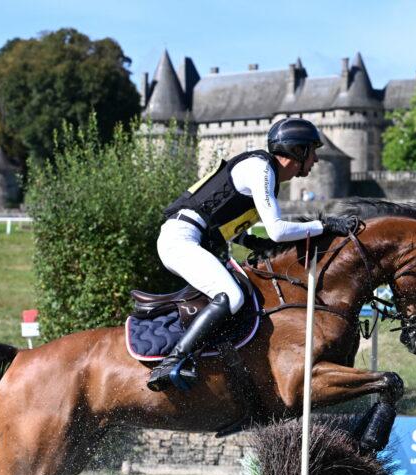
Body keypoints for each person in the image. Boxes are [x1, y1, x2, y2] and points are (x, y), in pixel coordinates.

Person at [146, 118, 356, 391]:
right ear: (298, 151)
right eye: (312, 151)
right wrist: (324, 226)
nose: (316, 159)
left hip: (192, 236)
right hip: (181, 239)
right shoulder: (261, 169)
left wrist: (250, 241)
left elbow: (223, 220)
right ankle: (171, 363)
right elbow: (279, 231)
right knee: (231, 296)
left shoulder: (265, 174)